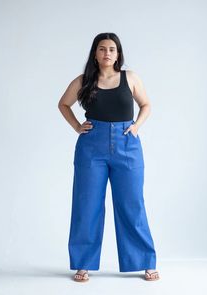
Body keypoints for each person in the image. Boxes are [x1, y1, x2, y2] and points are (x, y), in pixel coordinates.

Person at [58, 32, 160, 282]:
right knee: (87, 204)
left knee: (132, 204)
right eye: (102, 49)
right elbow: (63, 104)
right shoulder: (83, 80)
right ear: (95, 53)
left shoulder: (130, 78)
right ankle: (83, 264)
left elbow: (146, 104)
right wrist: (76, 126)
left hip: (128, 144)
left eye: (112, 49)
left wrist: (136, 126)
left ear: (118, 53)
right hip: (92, 146)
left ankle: (145, 261)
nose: (107, 53)